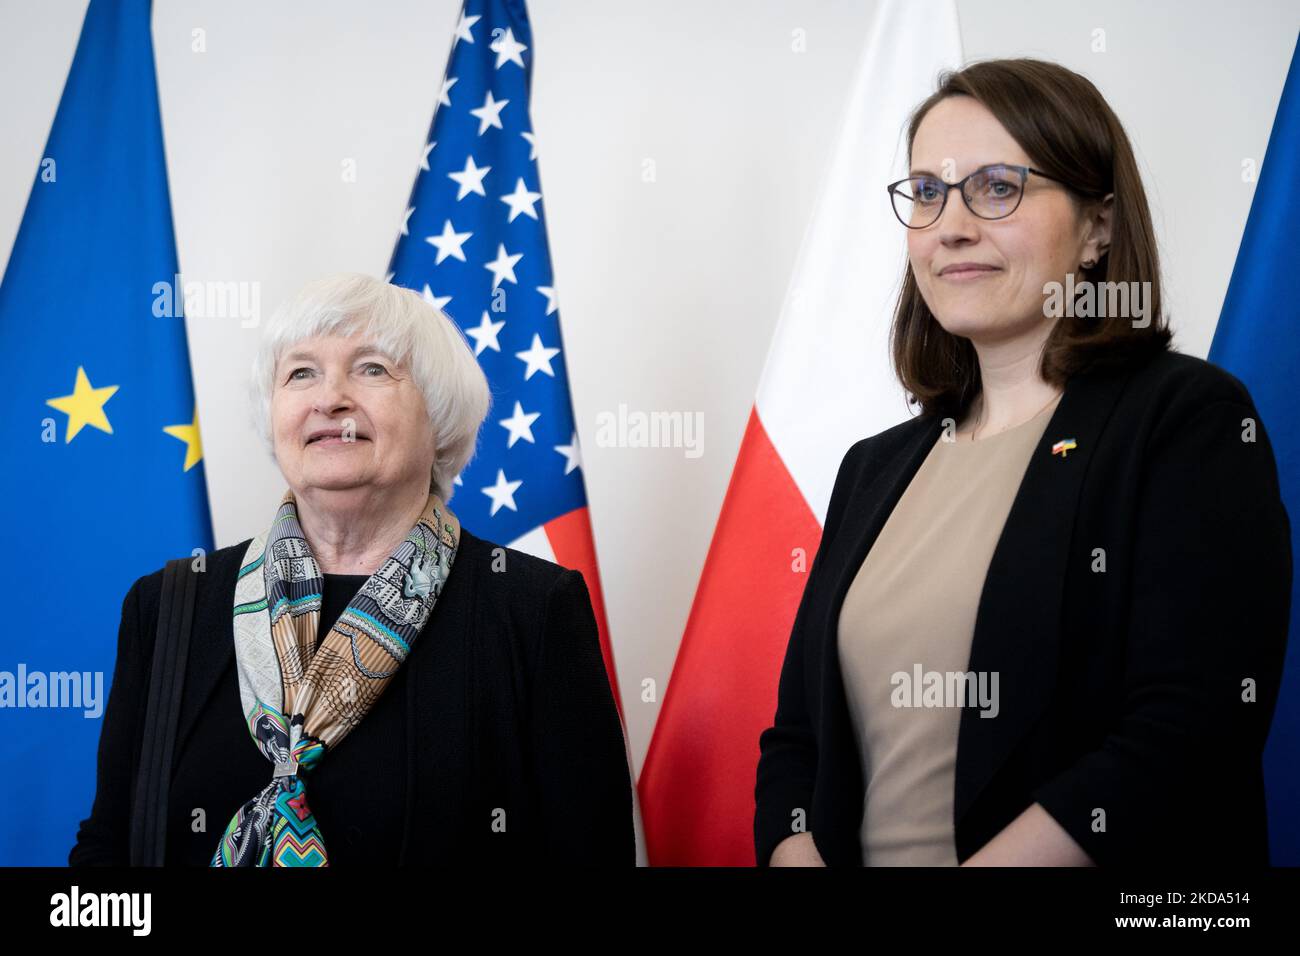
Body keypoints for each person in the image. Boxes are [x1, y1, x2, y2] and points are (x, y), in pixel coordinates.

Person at [754, 58, 1291, 867]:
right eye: (928, 193)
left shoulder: (1186, 421)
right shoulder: (873, 469)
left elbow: (1187, 729)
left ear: (1098, 227)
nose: (952, 226)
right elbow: (796, 739)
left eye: (997, 187)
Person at [70, 273, 634, 866]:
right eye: (300, 373)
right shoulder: (166, 607)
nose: (329, 398)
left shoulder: (532, 609)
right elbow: (111, 845)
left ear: (439, 417)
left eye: (371, 368)